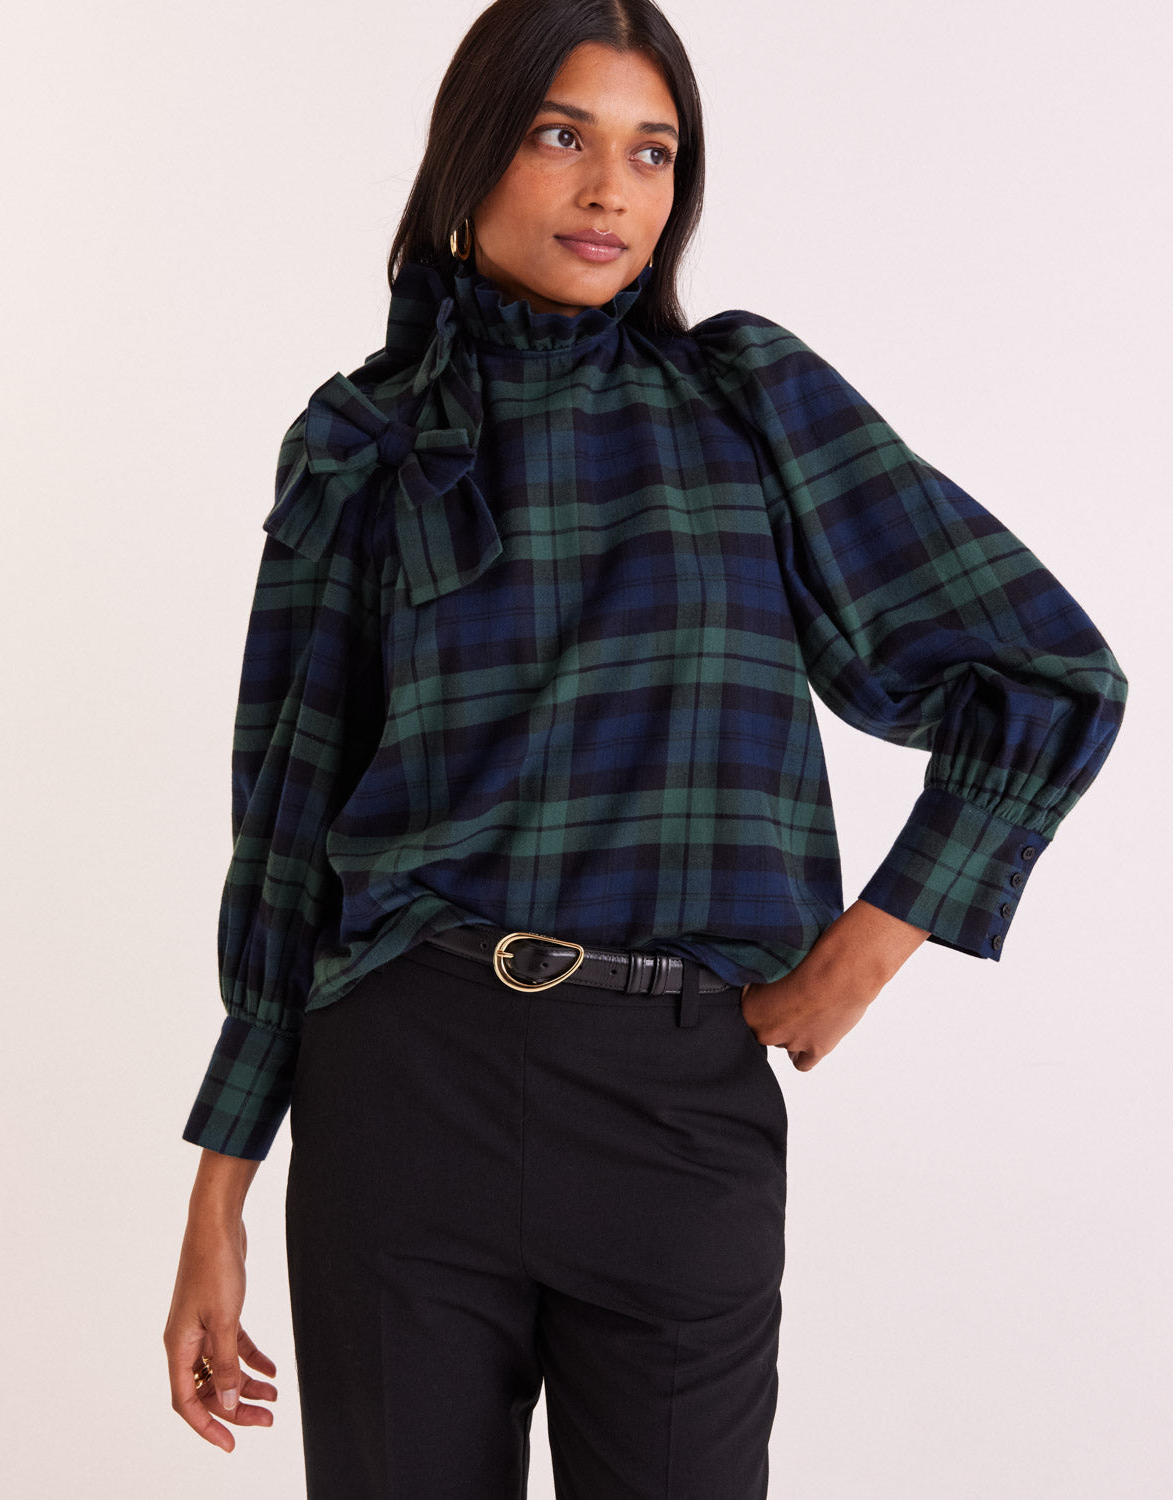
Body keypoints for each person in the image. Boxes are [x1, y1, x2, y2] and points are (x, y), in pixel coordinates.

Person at [163, 1, 1128, 1494]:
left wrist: (870, 946)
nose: (612, 189)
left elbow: (1046, 674)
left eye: (653, 151)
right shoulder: (363, 441)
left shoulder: (747, 401)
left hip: (676, 1101)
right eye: (563, 136)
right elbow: (287, 825)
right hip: (403, 1088)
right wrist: (219, 1192)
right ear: (474, 149)